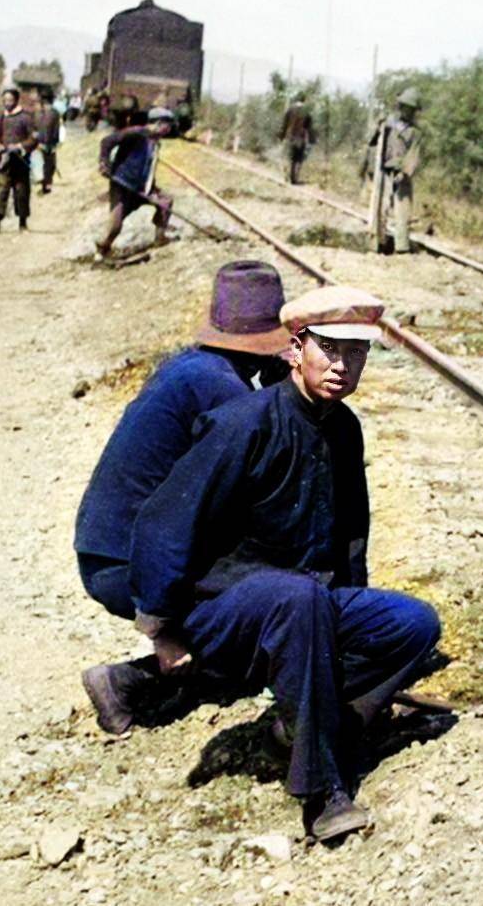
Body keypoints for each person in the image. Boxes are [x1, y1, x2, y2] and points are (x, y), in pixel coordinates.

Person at [116, 285, 443, 842]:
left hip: (307, 602)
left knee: (415, 624)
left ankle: (311, 727)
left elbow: (350, 538)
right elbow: (162, 522)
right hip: (224, 611)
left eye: (357, 354)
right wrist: (161, 630)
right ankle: (323, 792)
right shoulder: (244, 423)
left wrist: (352, 613)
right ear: (295, 349)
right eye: (330, 350)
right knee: (299, 597)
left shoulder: (343, 427)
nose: (342, 366)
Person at [77, 262, 294, 729]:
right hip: (128, 563)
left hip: (107, 548)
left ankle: (125, 683)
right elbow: (261, 480)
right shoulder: (221, 388)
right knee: (266, 601)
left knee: (251, 611)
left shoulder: (195, 368)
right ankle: (132, 680)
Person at [94, 100, 173, 259]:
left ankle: (160, 238)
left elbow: (148, 169)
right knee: (115, 225)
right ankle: (102, 250)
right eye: (167, 125)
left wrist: (152, 189)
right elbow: (107, 141)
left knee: (166, 202)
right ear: (158, 123)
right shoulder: (136, 133)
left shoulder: (155, 142)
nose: (169, 129)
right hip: (122, 185)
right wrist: (104, 163)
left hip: (140, 188)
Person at [372, 86, 421, 254]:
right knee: (381, 208)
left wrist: (404, 172)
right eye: (406, 107)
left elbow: (413, 155)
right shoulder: (388, 123)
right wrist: (377, 126)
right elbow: (372, 141)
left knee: (402, 211)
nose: (408, 112)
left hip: (402, 174)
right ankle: (378, 242)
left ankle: (401, 248)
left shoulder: (415, 132)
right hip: (385, 171)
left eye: (411, 109)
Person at [0, 90, 38, 231]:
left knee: (21, 191)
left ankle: (22, 222)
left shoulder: (26, 118)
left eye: (10, 100)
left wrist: (20, 146)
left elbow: (34, 138)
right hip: (4, 160)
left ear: (16, 100)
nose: (7, 103)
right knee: (0, 189)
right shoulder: (0, 117)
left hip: (20, 161)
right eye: (5, 100)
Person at [33, 87, 63, 194]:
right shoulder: (55, 113)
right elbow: (56, 131)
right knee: (49, 165)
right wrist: (55, 143)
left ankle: (42, 183)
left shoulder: (37, 113)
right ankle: (47, 185)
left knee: (40, 164)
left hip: (38, 142)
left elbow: (34, 128)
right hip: (49, 143)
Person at [282, 94, 314, 185]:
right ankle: (295, 178)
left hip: (292, 135)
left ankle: (292, 177)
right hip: (301, 136)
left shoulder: (291, 108)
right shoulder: (306, 110)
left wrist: (283, 134)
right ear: (304, 100)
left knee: (293, 157)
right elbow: (308, 125)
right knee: (299, 158)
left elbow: (285, 122)